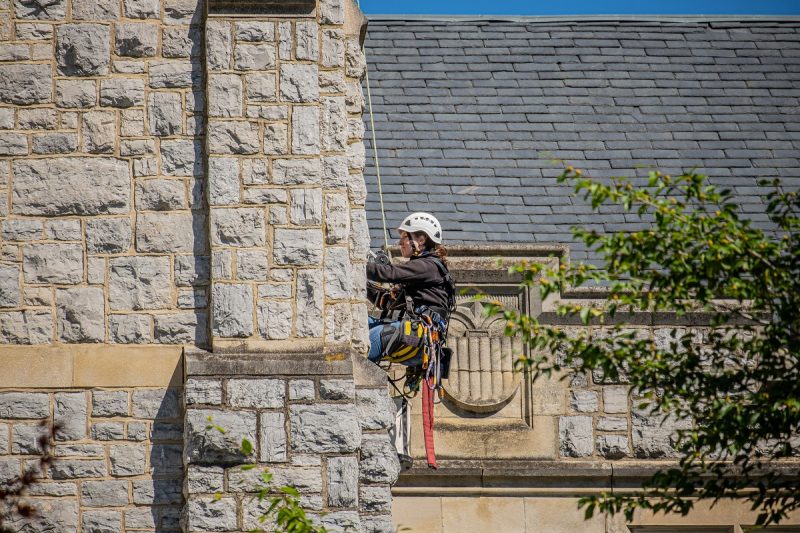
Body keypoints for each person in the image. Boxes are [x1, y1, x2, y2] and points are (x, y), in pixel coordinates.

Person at [366, 212, 455, 366]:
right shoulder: (420, 272)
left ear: (421, 240)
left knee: (369, 340)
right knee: (361, 322)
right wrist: (363, 285)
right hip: (413, 332)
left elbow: (388, 273)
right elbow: (386, 303)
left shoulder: (428, 266)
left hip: (417, 335)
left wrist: (355, 264)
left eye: (405, 237)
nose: (400, 242)